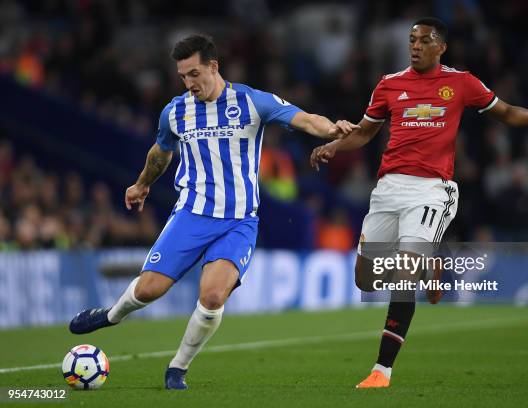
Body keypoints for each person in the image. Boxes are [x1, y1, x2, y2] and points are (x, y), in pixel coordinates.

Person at [69, 33, 358, 390]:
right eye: (183, 77)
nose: (189, 84)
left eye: (194, 74)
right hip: (191, 214)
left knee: (212, 296)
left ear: (213, 66)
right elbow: (161, 152)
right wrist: (142, 184)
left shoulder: (251, 102)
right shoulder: (175, 111)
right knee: (147, 291)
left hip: (238, 221)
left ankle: (178, 368)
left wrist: (333, 128)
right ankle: (111, 316)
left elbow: (306, 120)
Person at [310, 17, 528, 389]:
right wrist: (333, 145)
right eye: (412, 40)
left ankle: (382, 371)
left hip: (431, 190)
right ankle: (433, 262)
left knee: (403, 277)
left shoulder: (461, 83)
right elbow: (364, 133)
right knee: (365, 278)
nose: (415, 46)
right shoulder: (389, 85)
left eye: (423, 40)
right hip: (388, 189)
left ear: (440, 46)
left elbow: (505, 111)